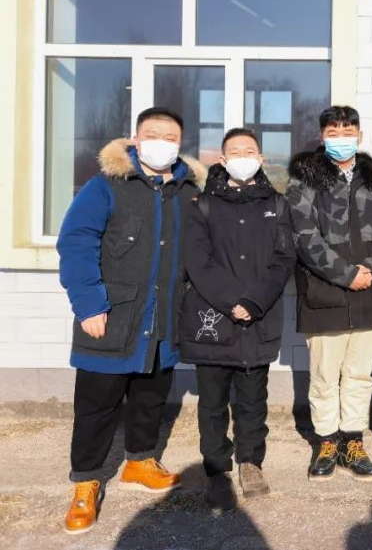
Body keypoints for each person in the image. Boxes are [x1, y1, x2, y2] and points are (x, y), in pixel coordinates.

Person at [57, 107, 204, 534]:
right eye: (153, 134)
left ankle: (139, 461)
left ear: (180, 143)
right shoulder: (106, 185)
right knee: (97, 406)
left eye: (171, 137)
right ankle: (86, 481)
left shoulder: (188, 191)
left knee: (151, 396)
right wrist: (89, 305)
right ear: (136, 139)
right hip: (112, 315)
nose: (162, 142)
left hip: (165, 318)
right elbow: (77, 242)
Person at [180, 128, 296, 511]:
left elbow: (284, 258)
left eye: (250, 151)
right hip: (213, 319)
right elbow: (197, 261)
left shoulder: (277, 204)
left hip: (257, 320)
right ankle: (217, 471)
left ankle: (251, 462)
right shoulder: (201, 205)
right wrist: (233, 300)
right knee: (212, 403)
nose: (243, 157)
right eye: (235, 152)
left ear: (261, 159)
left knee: (252, 401)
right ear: (223, 160)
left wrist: (253, 301)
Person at [287, 105, 372, 482]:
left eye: (348, 132)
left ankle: (353, 442)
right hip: (324, 293)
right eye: (333, 132)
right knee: (324, 376)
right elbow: (304, 237)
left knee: (360, 376)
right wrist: (346, 275)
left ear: (359, 136)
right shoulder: (304, 179)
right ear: (322, 137)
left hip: (369, 294)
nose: (341, 138)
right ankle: (327, 442)